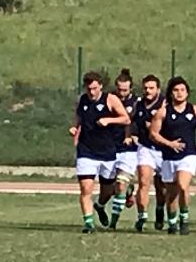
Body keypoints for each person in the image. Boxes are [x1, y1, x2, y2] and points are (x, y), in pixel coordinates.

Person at [149, 77, 196, 235]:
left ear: (187, 92)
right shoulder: (163, 112)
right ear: (171, 93)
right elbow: (153, 133)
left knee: (183, 186)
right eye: (176, 90)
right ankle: (172, 222)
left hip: (188, 154)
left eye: (182, 90)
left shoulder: (195, 110)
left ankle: (184, 218)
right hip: (168, 157)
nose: (179, 93)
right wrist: (169, 143)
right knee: (171, 194)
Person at [69, 71, 129, 233]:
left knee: (107, 191)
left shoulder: (111, 99)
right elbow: (78, 117)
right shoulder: (82, 100)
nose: (92, 92)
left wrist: (109, 120)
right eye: (89, 89)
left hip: (107, 152)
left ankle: (100, 206)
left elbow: (126, 119)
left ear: (101, 86)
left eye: (94, 88)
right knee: (86, 188)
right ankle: (88, 224)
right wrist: (74, 127)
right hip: (86, 151)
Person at [133, 75, 166, 233]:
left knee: (162, 188)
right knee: (144, 182)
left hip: (164, 150)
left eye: (151, 88)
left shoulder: (165, 104)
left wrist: (153, 127)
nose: (148, 91)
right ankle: (142, 215)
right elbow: (132, 121)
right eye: (145, 88)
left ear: (158, 89)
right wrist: (131, 134)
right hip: (145, 148)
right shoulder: (138, 104)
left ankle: (160, 209)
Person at [107, 69, 139, 230]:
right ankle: (128, 192)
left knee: (120, 184)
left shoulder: (137, 103)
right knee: (110, 187)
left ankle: (113, 222)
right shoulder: (109, 100)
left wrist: (134, 135)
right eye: (119, 89)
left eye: (125, 90)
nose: (122, 93)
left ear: (131, 88)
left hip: (129, 150)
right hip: (109, 148)